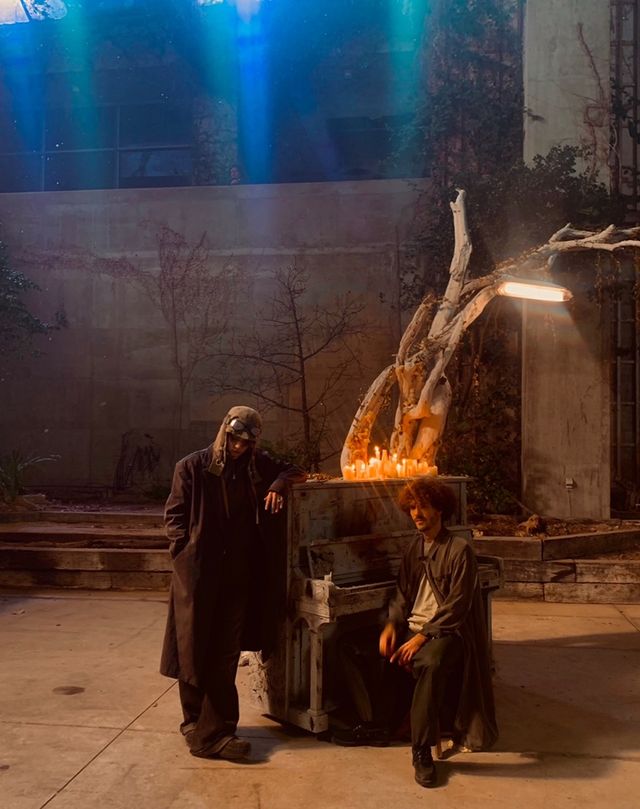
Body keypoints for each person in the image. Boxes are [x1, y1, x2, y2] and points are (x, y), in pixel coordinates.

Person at [159, 405, 307, 761]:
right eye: (234, 439)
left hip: (238, 576)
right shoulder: (191, 467)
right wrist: (186, 555)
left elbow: (296, 470)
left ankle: (216, 733)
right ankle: (193, 722)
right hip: (198, 575)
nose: (239, 447)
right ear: (224, 432)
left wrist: (278, 484)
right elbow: (174, 517)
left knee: (224, 654)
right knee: (193, 647)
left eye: (246, 442)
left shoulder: (255, 465)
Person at [333, 477, 498, 788]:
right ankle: (377, 723)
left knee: (430, 663)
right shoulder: (414, 548)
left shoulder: (459, 549)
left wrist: (423, 636)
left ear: (440, 509)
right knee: (349, 646)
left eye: (423, 506)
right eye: (412, 507)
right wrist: (391, 626)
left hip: (447, 634)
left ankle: (420, 750)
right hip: (413, 629)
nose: (416, 513)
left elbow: (458, 607)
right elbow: (401, 596)